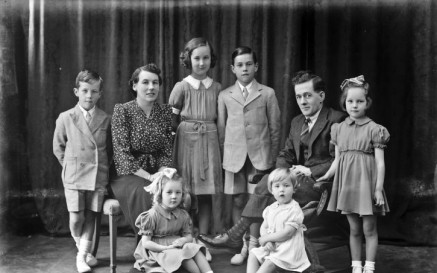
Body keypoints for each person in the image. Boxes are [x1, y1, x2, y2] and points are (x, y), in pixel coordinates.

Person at [200, 70, 347, 251]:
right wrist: (284, 173)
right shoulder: (297, 122)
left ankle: (236, 237)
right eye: (299, 96)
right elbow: (286, 154)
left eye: (308, 96)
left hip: (321, 187)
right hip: (294, 183)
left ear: (321, 95)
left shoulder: (336, 120)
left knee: (265, 187)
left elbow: (342, 160)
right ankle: (248, 244)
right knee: (268, 185)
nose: (302, 101)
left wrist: (310, 171)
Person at [317, 75, 390, 273]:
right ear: (344, 103)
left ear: (367, 103)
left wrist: (377, 189)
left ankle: (370, 267)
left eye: (360, 101)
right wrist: (328, 175)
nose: (355, 105)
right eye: (350, 101)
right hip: (347, 185)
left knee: (369, 229)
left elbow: (380, 163)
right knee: (355, 229)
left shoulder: (375, 129)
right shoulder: (339, 129)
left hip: (367, 185)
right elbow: (338, 159)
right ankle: (356, 266)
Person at [216, 46, 281, 265]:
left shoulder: (267, 93)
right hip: (234, 158)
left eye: (248, 64)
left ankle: (252, 246)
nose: (245, 68)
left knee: (256, 201)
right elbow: (222, 131)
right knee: (237, 201)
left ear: (256, 66)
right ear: (233, 68)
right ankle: (240, 244)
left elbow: (275, 129)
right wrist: (226, 156)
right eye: (240, 65)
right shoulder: (225, 95)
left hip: (259, 157)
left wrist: (271, 159)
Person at [53, 70, 111, 273]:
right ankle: (83, 249)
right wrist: (71, 166)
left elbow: (109, 150)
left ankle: (81, 258)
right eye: (85, 91)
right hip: (75, 176)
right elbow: (58, 148)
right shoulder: (66, 117)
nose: (89, 95)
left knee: (91, 216)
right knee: (76, 218)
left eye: (94, 91)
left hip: (97, 175)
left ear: (99, 94)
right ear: (76, 91)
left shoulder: (105, 118)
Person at [169, 37, 223, 237]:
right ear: (188, 59)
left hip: (209, 141)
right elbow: (172, 119)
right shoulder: (181, 87)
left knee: (207, 190)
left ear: (211, 59)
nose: (201, 63)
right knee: (186, 191)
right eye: (197, 58)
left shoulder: (217, 88)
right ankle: (188, 234)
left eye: (206, 58)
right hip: (186, 142)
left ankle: (205, 234)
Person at [110, 64, 174, 235]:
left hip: (156, 171)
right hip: (129, 174)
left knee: (177, 191)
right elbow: (121, 154)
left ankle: (177, 241)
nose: (151, 87)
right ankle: (148, 246)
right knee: (147, 194)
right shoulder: (123, 111)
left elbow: (166, 150)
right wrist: (149, 177)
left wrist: (160, 173)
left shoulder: (165, 112)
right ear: (134, 85)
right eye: (145, 82)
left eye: (155, 83)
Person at [133, 168, 214, 273]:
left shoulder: (183, 215)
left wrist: (183, 240)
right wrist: (163, 248)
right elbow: (146, 243)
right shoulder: (152, 215)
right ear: (160, 193)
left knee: (194, 248)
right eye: (169, 192)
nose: (174, 196)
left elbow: (188, 236)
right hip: (158, 249)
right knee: (183, 256)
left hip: (176, 244)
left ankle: (208, 272)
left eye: (178, 192)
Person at [246, 168, 310, 273]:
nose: (281, 189)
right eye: (277, 186)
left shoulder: (294, 209)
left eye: (286, 185)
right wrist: (266, 240)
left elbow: (288, 233)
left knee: (269, 262)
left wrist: (267, 238)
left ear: (294, 189)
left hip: (287, 250)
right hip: (273, 245)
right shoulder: (270, 208)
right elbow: (264, 226)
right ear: (271, 190)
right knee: (253, 254)